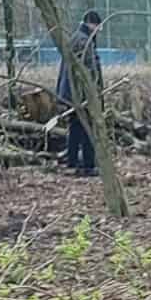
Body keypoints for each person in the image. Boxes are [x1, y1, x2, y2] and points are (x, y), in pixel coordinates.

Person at [57, 11, 105, 177]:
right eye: (98, 28)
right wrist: (94, 94)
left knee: (76, 128)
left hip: (71, 93)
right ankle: (88, 165)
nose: (98, 32)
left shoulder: (75, 37)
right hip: (81, 95)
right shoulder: (85, 41)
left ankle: (72, 162)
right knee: (87, 128)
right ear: (92, 24)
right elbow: (90, 72)